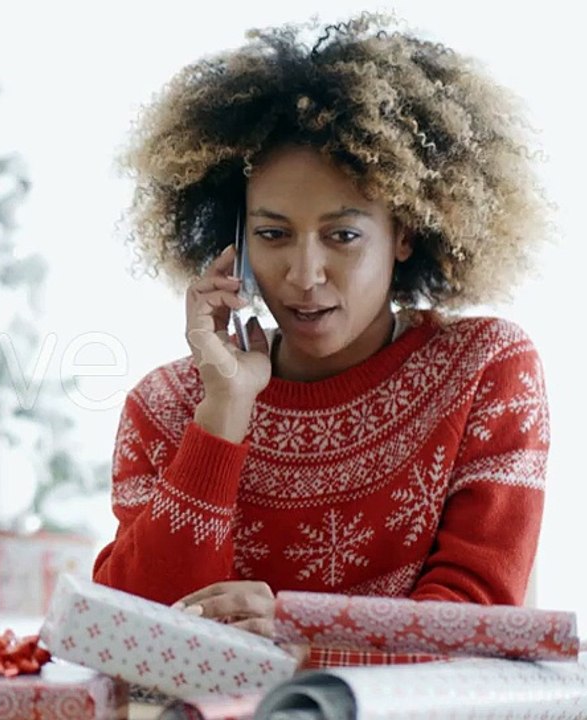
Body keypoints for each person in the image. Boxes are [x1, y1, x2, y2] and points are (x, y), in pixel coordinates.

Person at [92, 12, 553, 668]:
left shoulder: (485, 368)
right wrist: (222, 414)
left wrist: (299, 636)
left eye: (342, 235)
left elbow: (473, 625)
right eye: (273, 235)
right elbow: (133, 640)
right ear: (236, 240)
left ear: (404, 233)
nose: (303, 277)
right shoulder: (167, 406)